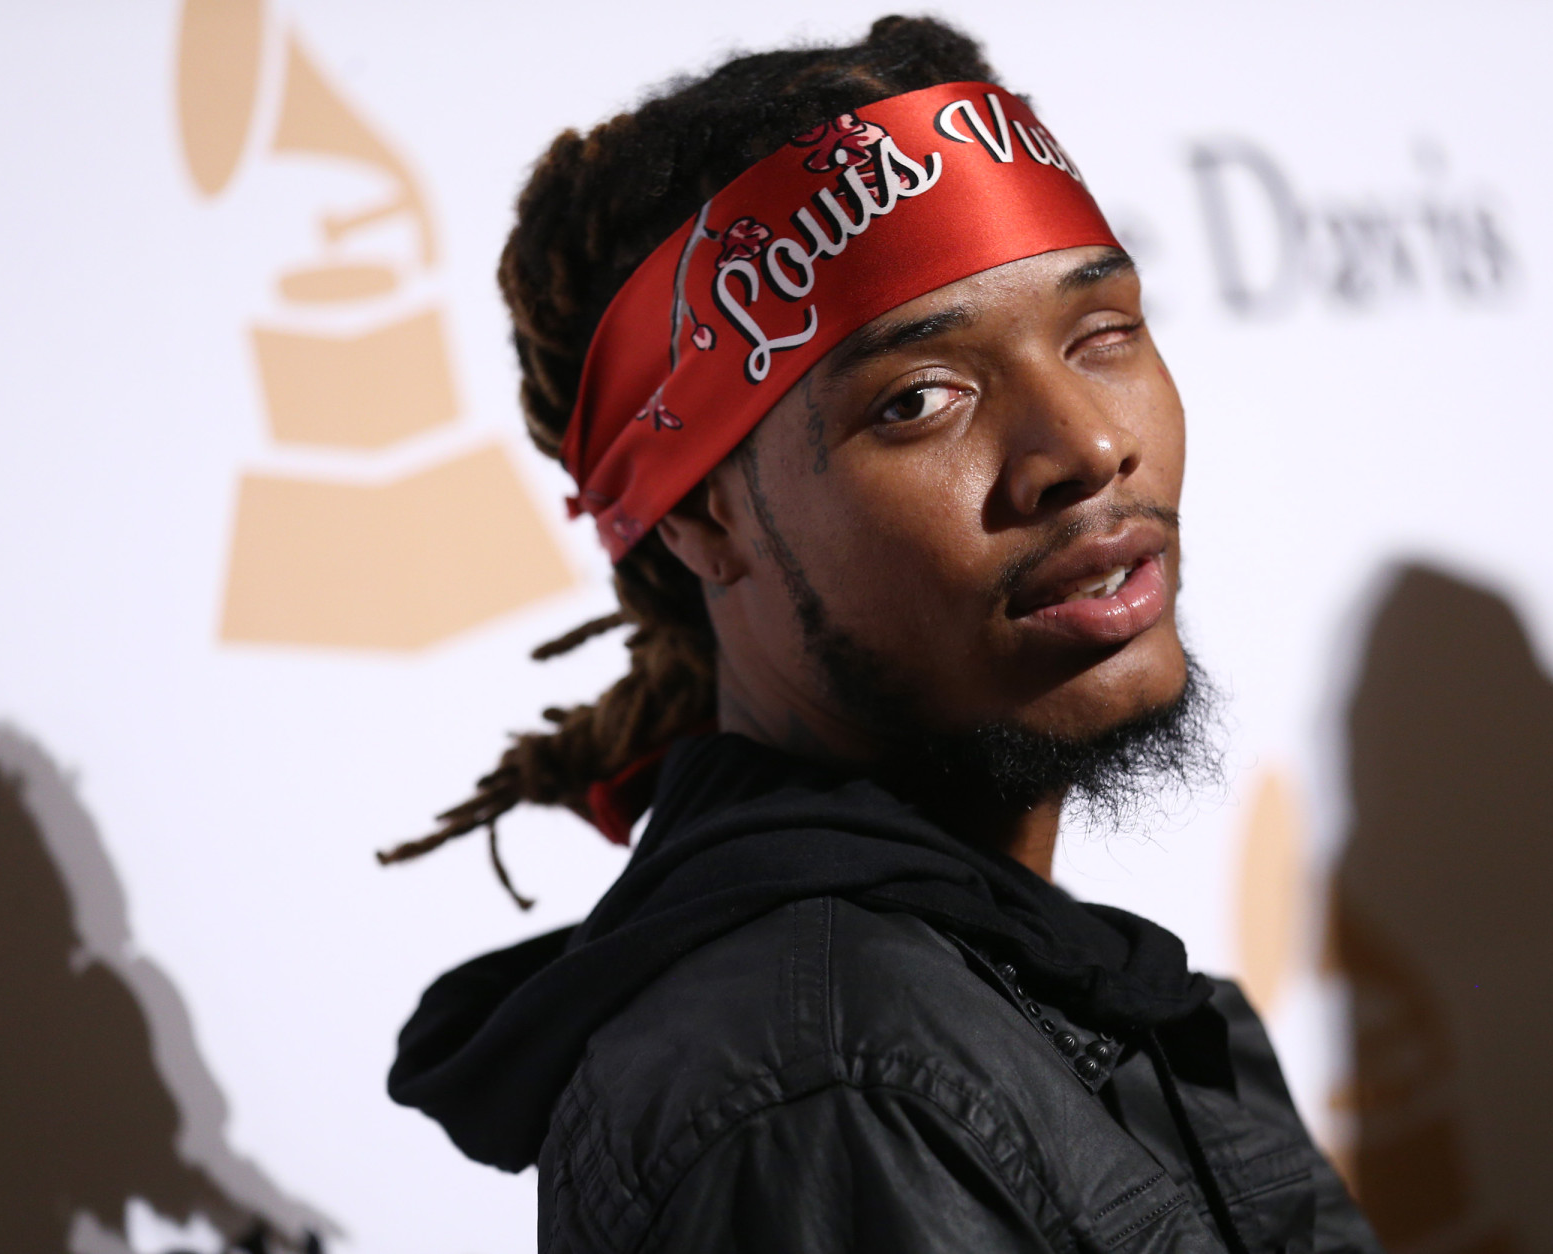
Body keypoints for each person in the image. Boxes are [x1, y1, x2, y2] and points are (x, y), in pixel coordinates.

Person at [381, 16, 1383, 1253]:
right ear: (706, 518)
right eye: (919, 399)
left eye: (1102, 334)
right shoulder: (833, 1089)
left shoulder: (959, 1004)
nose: (1083, 448)